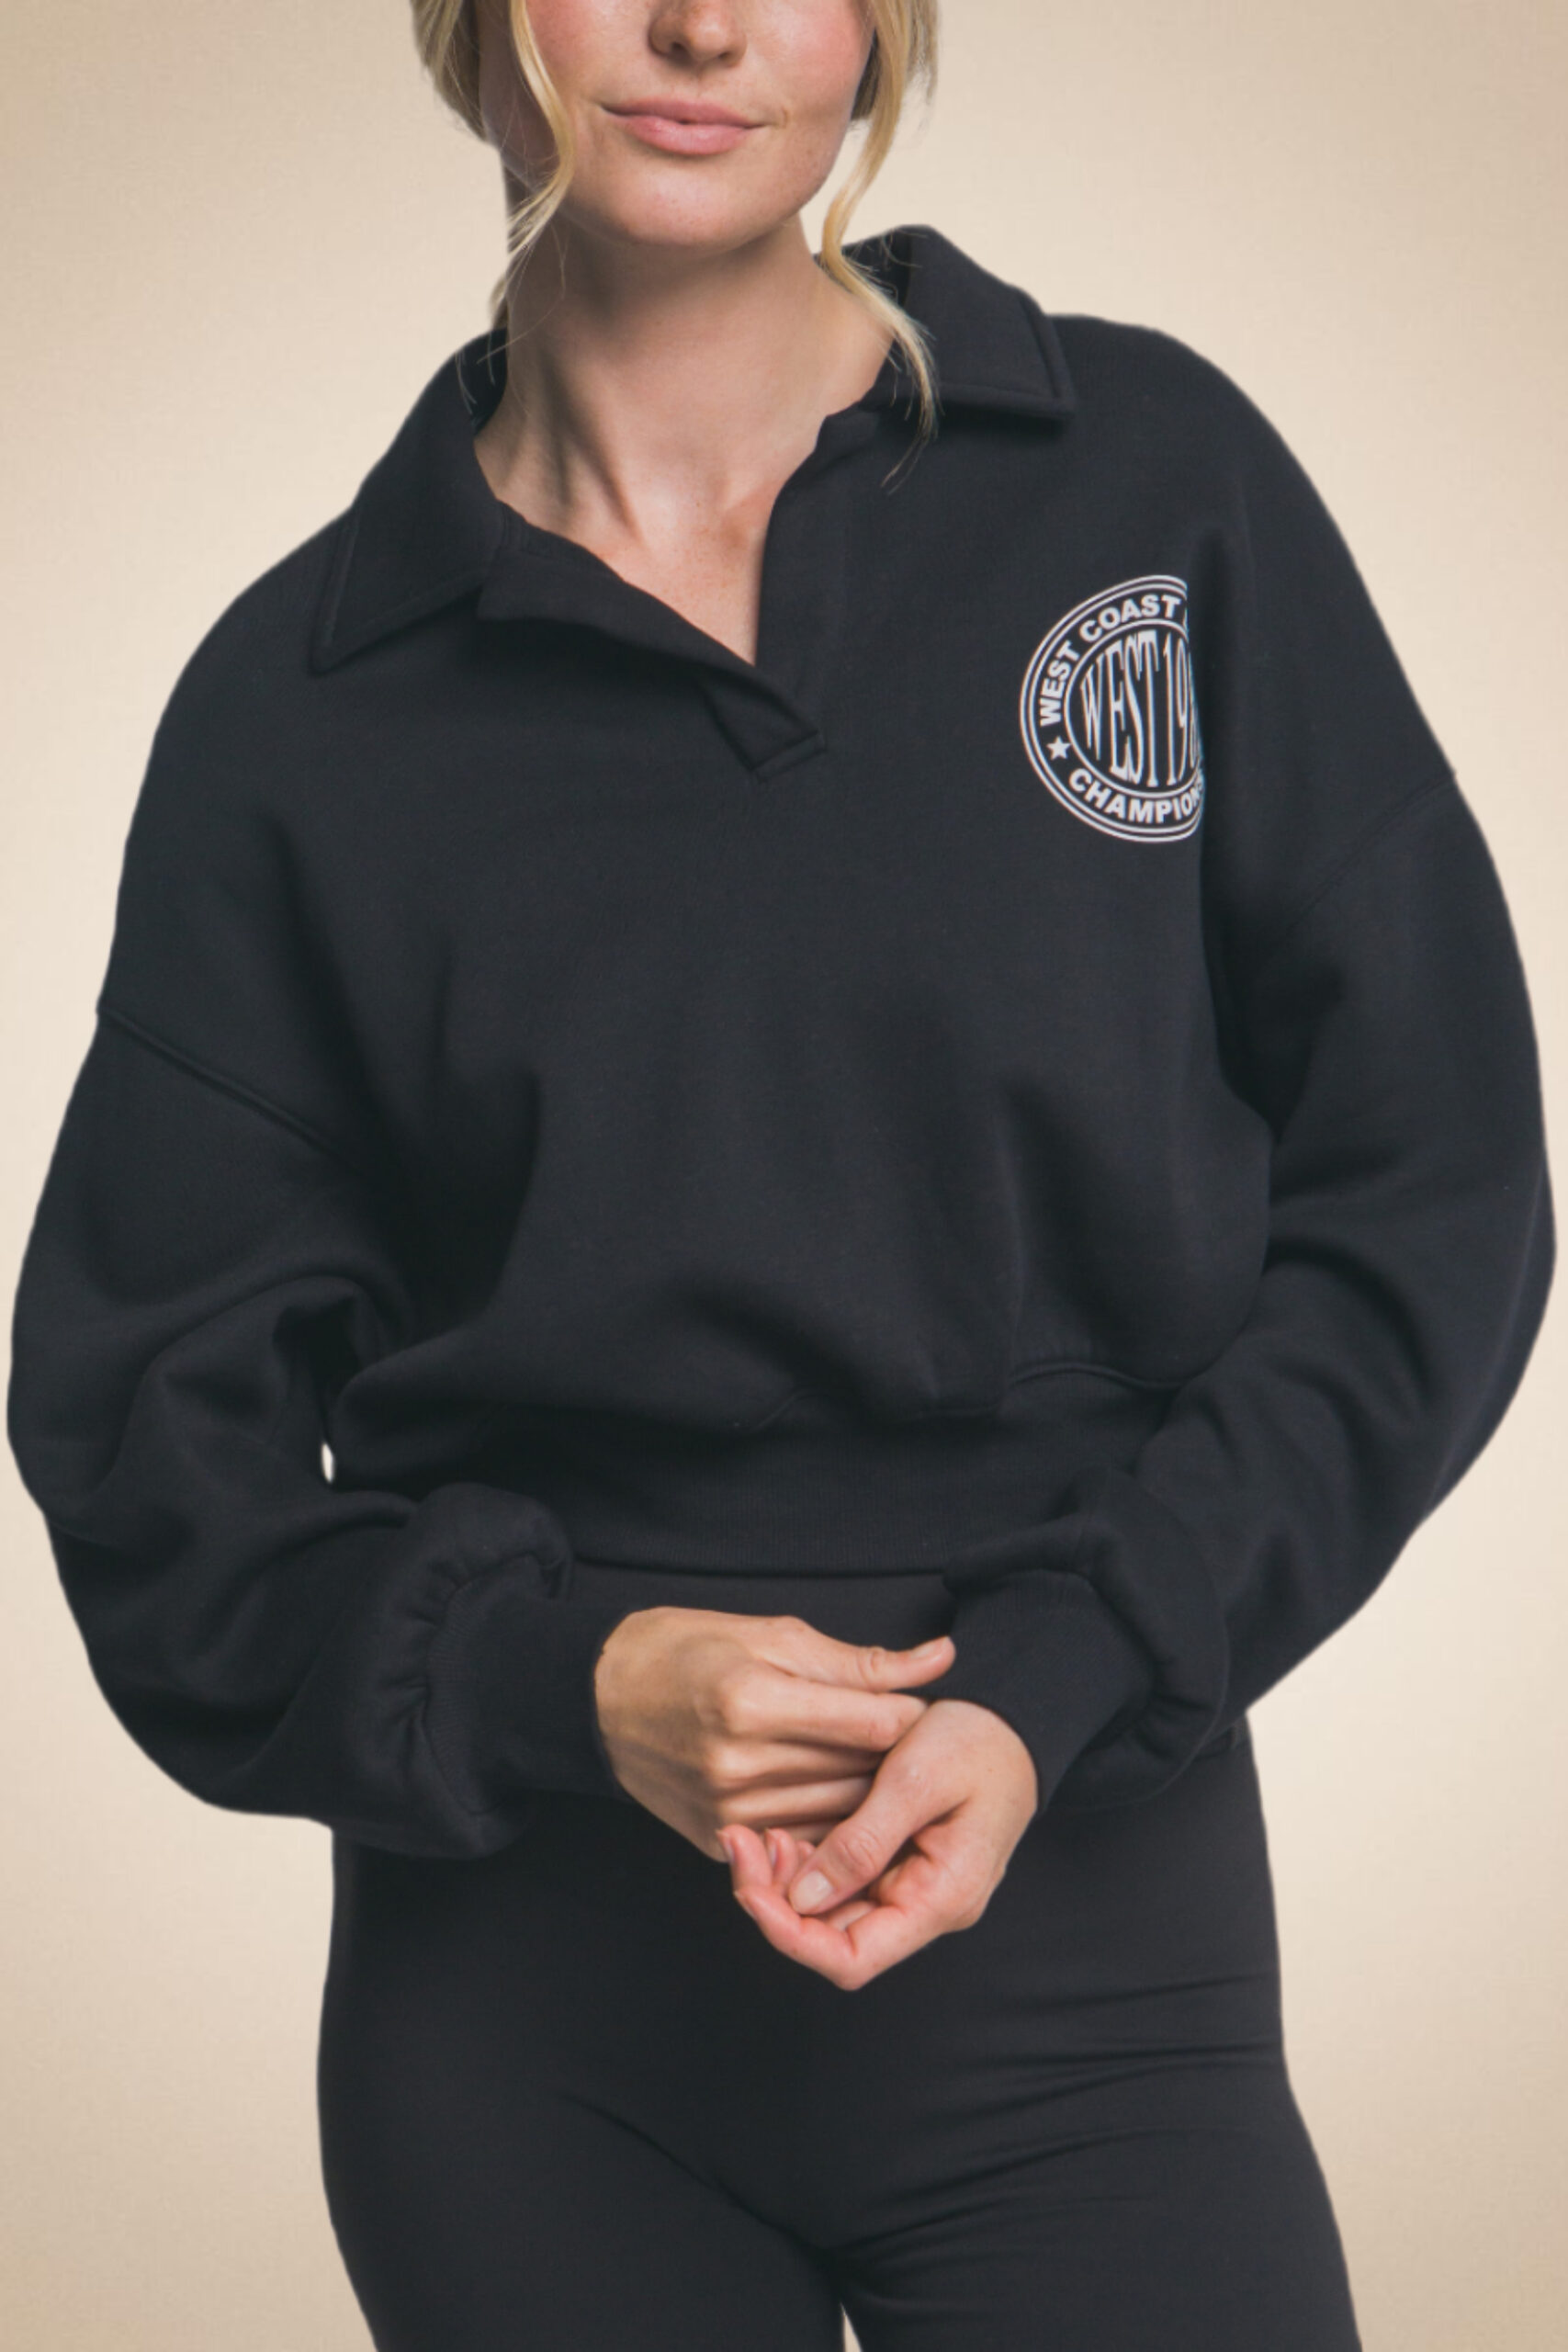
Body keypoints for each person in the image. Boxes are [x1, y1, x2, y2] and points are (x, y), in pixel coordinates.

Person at [6, 2, 1554, 2346]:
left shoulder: (1149, 485)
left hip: (1094, 1986)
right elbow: (147, 1453)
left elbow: (1429, 1185)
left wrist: (1067, 1665)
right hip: (532, 2049)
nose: (704, 22)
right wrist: (568, 1679)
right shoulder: (298, 710)